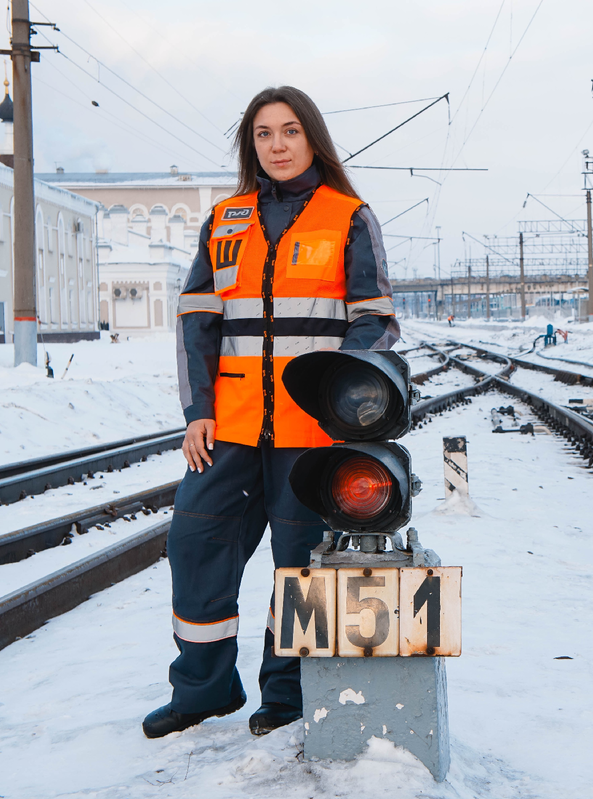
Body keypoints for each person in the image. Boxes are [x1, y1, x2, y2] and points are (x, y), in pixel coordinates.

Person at [142, 86, 400, 739]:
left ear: (312, 138)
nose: (277, 145)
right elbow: (197, 319)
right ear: (250, 144)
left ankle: (284, 694)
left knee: (300, 567)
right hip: (227, 427)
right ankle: (203, 689)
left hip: (309, 431)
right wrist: (197, 408)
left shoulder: (348, 216)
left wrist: (345, 394)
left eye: (289, 131)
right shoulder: (224, 219)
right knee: (194, 545)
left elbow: (374, 322)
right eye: (264, 133)